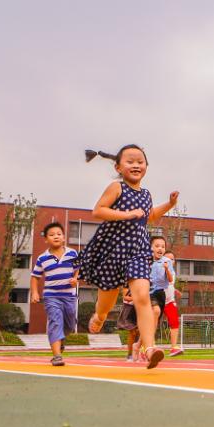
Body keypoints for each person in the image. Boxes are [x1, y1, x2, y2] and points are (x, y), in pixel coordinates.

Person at [78, 144, 178, 369]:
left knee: (142, 297)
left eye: (140, 162)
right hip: (113, 249)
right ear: (118, 167)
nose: (136, 165)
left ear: (146, 167)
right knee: (107, 302)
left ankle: (149, 348)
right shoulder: (117, 187)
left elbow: (150, 216)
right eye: (130, 161)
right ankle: (100, 316)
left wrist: (170, 204)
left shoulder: (146, 194)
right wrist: (127, 214)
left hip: (138, 251)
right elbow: (98, 210)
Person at [30, 222, 80, 366]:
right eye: (52, 235)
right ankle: (57, 356)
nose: (56, 236)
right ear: (46, 239)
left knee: (70, 325)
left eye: (59, 234)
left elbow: (78, 269)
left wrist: (76, 279)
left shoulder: (72, 253)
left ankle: (61, 338)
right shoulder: (42, 258)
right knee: (55, 322)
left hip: (69, 296)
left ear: (64, 237)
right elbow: (35, 276)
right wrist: (34, 292)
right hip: (51, 296)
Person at [148, 236, 174, 347]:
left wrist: (167, 269)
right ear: (151, 247)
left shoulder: (167, 261)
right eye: (157, 246)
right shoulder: (146, 260)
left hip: (160, 293)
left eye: (163, 247)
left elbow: (170, 280)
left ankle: (142, 344)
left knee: (155, 318)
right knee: (156, 311)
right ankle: (151, 343)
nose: (160, 248)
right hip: (148, 292)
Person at [162, 250, 183, 356]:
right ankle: (146, 347)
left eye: (172, 259)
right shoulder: (159, 269)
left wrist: (175, 290)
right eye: (167, 259)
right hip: (157, 300)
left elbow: (169, 285)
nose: (170, 261)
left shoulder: (173, 272)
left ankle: (173, 347)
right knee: (151, 323)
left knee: (174, 322)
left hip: (169, 301)